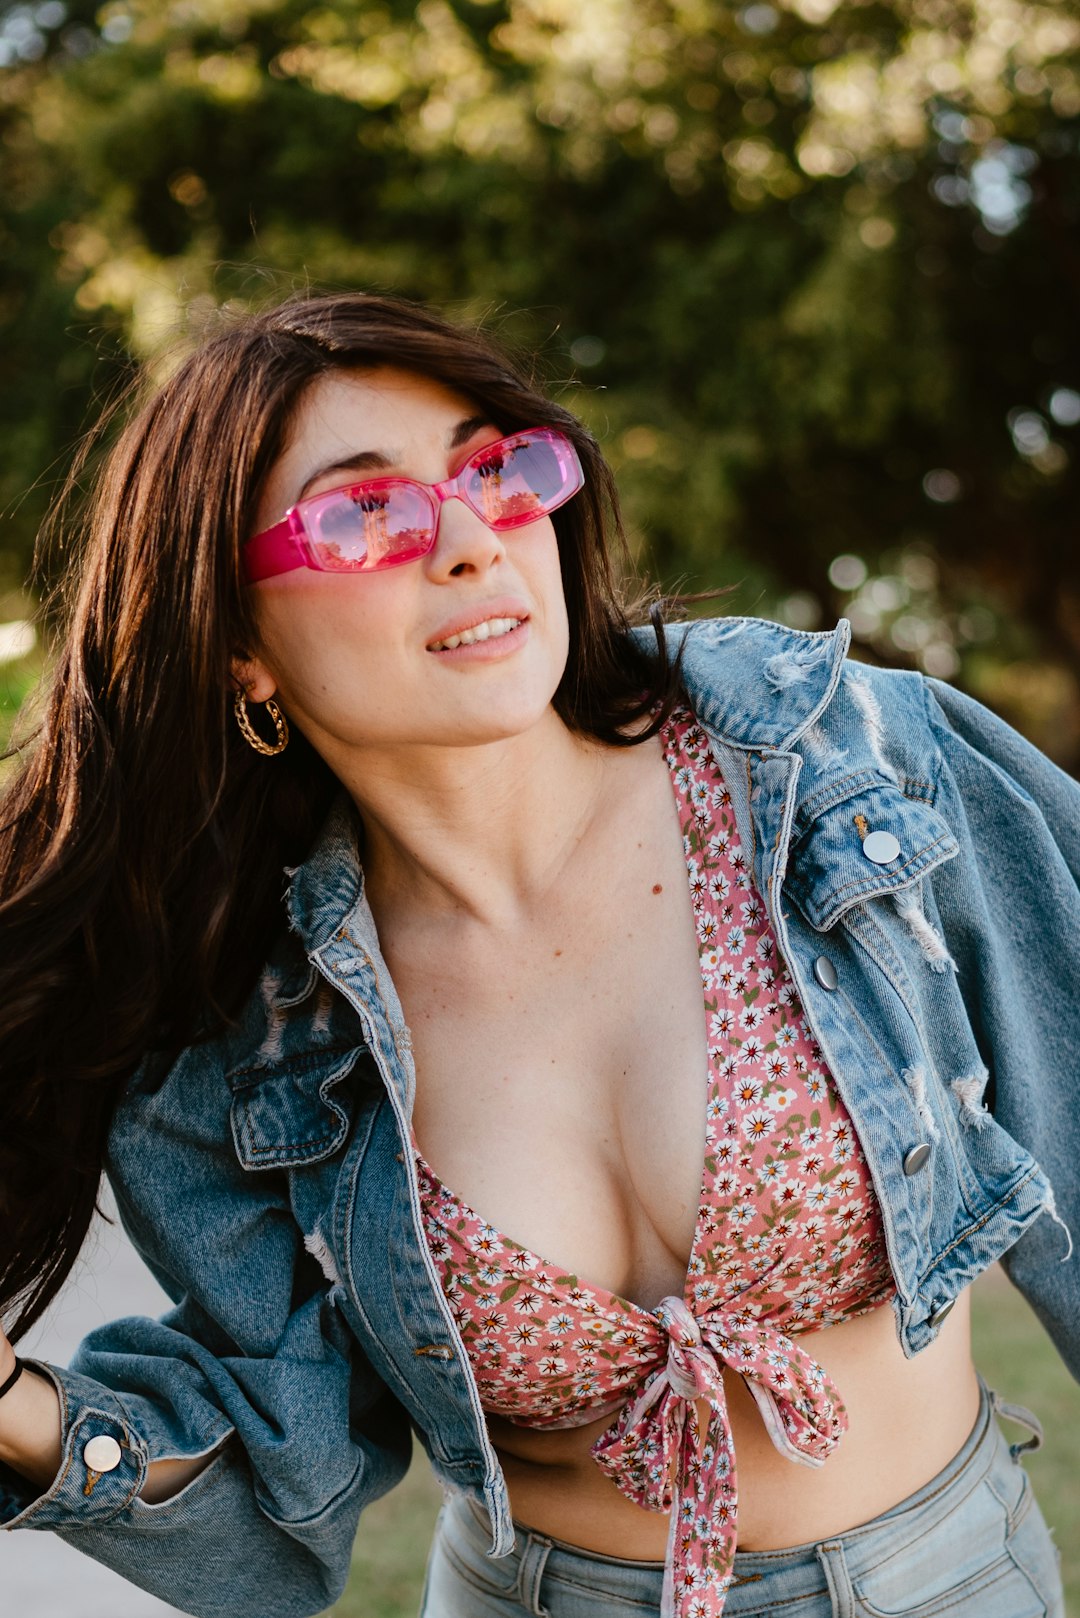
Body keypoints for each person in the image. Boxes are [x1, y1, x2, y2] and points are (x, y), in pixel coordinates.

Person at [0, 290, 1074, 1618]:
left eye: (497, 469)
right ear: (238, 649)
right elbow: (283, 1503)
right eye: (365, 513)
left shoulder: (841, 763)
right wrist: (16, 1408)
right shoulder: (246, 1022)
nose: (470, 540)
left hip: (947, 1581)